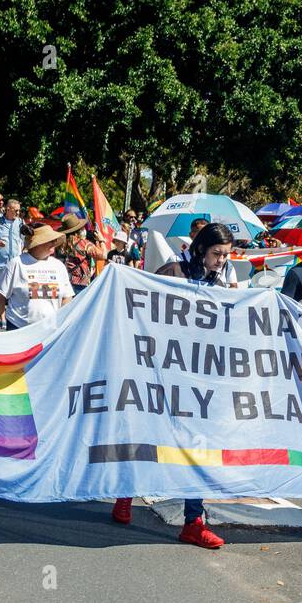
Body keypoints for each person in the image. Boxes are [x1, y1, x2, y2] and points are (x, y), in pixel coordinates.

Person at [111, 223, 238, 549]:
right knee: (147, 437)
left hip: (199, 378)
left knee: (198, 448)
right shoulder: (173, 272)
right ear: (200, 249)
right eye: (216, 253)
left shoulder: (223, 281)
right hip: (159, 374)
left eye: (225, 255)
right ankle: (125, 494)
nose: (221, 260)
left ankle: (193, 522)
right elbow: (141, 311)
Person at [0, 224, 73, 331]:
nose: (54, 243)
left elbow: (67, 296)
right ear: (37, 244)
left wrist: (62, 318)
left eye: (54, 240)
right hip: (19, 329)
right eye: (50, 240)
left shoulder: (59, 266)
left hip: (50, 331)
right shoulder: (17, 264)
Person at [0, 198, 25, 327]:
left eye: (19, 210)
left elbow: (25, 242)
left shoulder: (20, 223)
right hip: (0, 262)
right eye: (16, 210)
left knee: (16, 290)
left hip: (16, 262)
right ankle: (2, 318)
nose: (18, 213)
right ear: (8, 209)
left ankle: (11, 318)